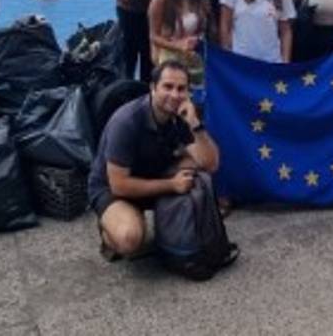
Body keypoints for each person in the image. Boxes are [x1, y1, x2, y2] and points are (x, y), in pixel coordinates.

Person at [89, 62, 231, 267]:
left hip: (154, 173)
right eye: (168, 86)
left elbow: (211, 163)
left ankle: (168, 228)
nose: (175, 95)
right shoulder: (126, 121)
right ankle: (108, 229)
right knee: (130, 239)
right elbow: (119, 184)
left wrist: (195, 125)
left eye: (181, 89)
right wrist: (171, 185)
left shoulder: (181, 116)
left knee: (197, 163)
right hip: (114, 189)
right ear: (153, 87)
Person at [148, 0, 211, 88]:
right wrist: (179, 45)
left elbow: (205, 27)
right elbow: (154, 36)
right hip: (171, 59)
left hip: (195, 57)